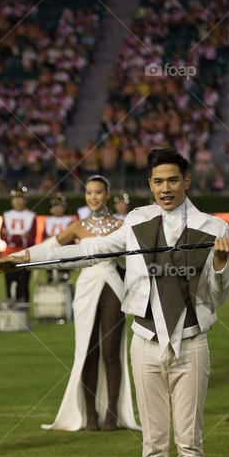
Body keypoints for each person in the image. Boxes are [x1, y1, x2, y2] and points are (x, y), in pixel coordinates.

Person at [0, 148, 229, 457]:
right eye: (157, 181)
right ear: (150, 184)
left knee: (189, 442)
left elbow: (216, 295)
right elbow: (85, 250)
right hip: (145, 343)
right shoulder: (137, 222)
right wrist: (26, 258)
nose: (165, 189)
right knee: (154, 442)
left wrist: (222, 264)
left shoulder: (214, 227)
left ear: (187, 181)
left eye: (172, 180)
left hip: (192, 343)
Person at [29, 174, 139, 432]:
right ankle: (90, 415)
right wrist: (21, 258)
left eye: (98, 192)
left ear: (107, 195)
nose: (93, 197)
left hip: (113, 286)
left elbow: (129, 261)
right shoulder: (77, 226)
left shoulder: (121, 225)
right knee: (87, 352)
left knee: (112, 353)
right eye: (89, 193)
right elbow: (50, 248)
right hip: (86, 288)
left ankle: (112, 415)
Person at [0, 185, 36, 302]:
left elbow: (31, 239)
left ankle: (23, 313)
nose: (18, 201)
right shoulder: (6, 214)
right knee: (9, 282)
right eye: (15, 198)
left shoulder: (31, 215)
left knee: (23, 283)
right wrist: (21, 237)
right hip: (8, 255)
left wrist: (11, 236)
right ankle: (11, 312)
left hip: (25, 255)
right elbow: (2, 236)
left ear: (25, 200)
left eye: (21, 198)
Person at [43, 194, 76, 283]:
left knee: (64, 280)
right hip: (50, 255)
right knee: (50, 279)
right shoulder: (48, 220)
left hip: (63, 255)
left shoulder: (69, 220)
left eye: (60, 206)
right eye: (55, 205)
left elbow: (71, 240)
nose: (57, 208)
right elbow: (44, 238)